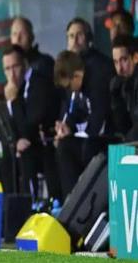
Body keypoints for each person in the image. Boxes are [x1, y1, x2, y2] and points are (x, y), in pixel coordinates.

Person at [2, 45, 61, 202]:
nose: (11, 74)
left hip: (43, 143)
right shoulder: (15, 88)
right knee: (0, 159)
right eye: (7, 69)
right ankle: (8, 206)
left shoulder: (38, 83)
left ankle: (31, 203)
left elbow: (29, 126)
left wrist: (14, 101)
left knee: (25, 153)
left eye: (15, 67)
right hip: (26, 142)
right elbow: (11, 126)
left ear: (25, 64)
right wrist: (16, 141)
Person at [65, 18, 113, 157]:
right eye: (71, 36)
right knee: (62, 145)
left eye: (79, 35)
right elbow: (70, 106)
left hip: (103, 136)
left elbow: (99, 110)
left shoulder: (100, 65)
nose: (75, 41)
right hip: (82, 133)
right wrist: (65, 126)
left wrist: (83, 133)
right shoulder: (68, 68)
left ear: (89, 38)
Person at [53, 51, 92, 200]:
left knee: (66, 147)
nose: (69, 90)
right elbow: (75, 116)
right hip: (86, 139)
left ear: (76, 76)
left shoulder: (94, 84)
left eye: (69, 86)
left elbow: (97, 122)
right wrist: (67, 128)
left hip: (102, 140)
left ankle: (73, 202)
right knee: (61, 145)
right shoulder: (75, 93)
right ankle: (67, 201)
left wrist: (73, 134)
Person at [110, 35, 138, 141]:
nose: (119, 68)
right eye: (116, 62)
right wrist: (116, 98)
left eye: (124, 60)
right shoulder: (124, 83)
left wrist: (124, 145)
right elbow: (124, 127)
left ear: (135, 58)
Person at [10, 16, 54, 82]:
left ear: (32, 37)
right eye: (14, 34)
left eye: (23, 33)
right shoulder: (9, 65)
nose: (18, 39)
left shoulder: (44, 63)